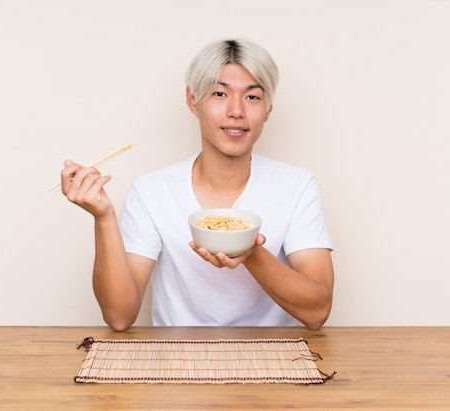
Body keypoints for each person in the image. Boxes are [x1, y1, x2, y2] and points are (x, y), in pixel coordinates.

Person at [59, 38, 334, 331]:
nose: (237, 111)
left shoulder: (297, 185)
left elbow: (317, 311)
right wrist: (103, 217)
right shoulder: (152, 191)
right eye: (219, 93)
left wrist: (250, 253)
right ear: (193, 101)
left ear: (267, 109)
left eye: (252, 97)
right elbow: (119, 316)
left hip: (273, 360)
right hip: (175, 360)